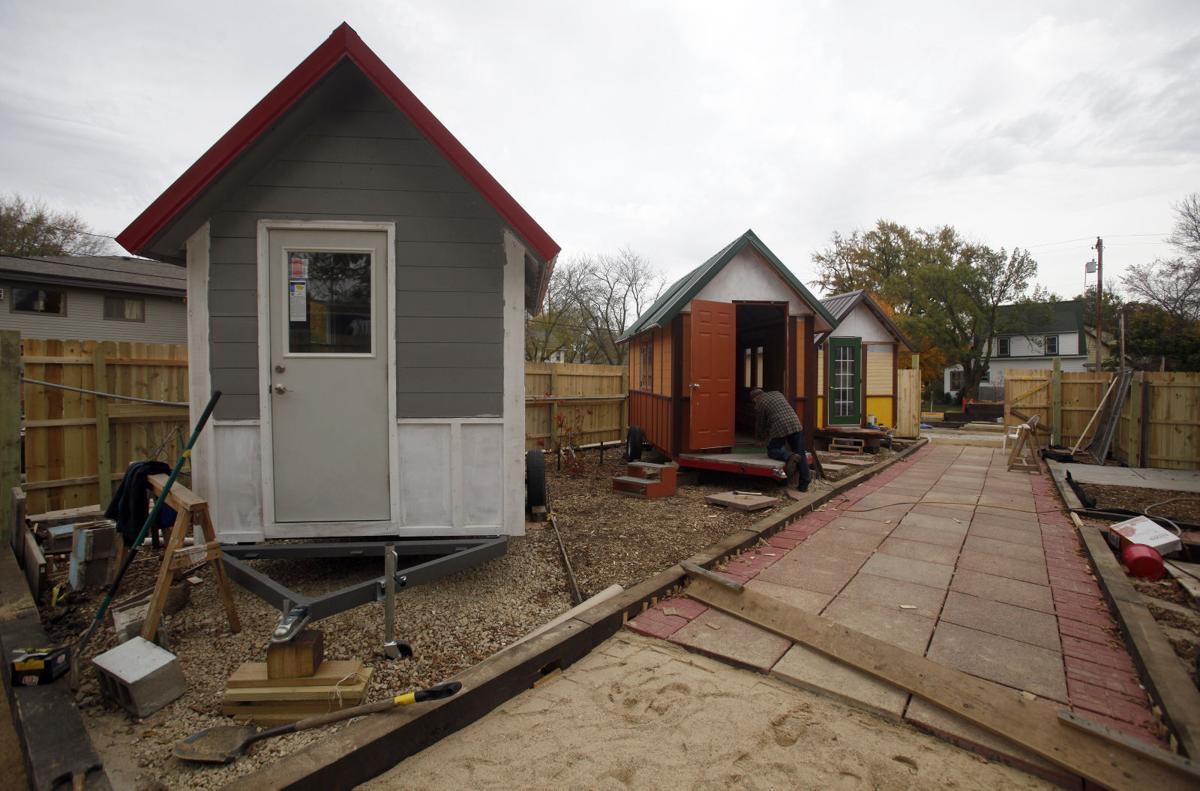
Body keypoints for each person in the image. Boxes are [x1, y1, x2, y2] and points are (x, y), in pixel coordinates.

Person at [750, 388, 812, 492]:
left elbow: (761, 424)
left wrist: (760, 439)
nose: (755, 403)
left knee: (772, 450)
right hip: (796, 424)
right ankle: (804, 484)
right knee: (801, 453)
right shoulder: (777, 393)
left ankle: (790, 456)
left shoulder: (760, 403)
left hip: (780, 428)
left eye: (754, 401)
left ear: (756, 398)